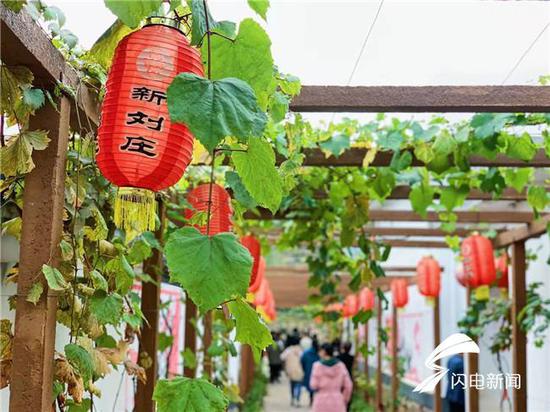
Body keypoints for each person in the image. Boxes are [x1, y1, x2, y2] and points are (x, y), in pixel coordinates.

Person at [310, 343, 353, 412]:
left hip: (321, 401)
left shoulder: (317, 366)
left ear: (324, 351)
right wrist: (344, 399)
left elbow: (313, 385)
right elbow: (348, 386)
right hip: (337, 400)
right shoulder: (341, 366)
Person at [281, 335, 304, 407]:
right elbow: (304, 359)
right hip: (299, 370)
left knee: (292, 385)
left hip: (290, 370)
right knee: (298, 385)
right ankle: (297, 399)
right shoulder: (301, 350)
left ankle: (292, 398)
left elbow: (282, 357)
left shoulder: (288, 350)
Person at [301, 338, 320, 406]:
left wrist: (304, 369)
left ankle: (312, 400)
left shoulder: (306, 352)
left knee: (311, 387)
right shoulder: (319, 353)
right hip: (318, 373)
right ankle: (315, 400)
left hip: (308, 371)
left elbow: (302, 361)